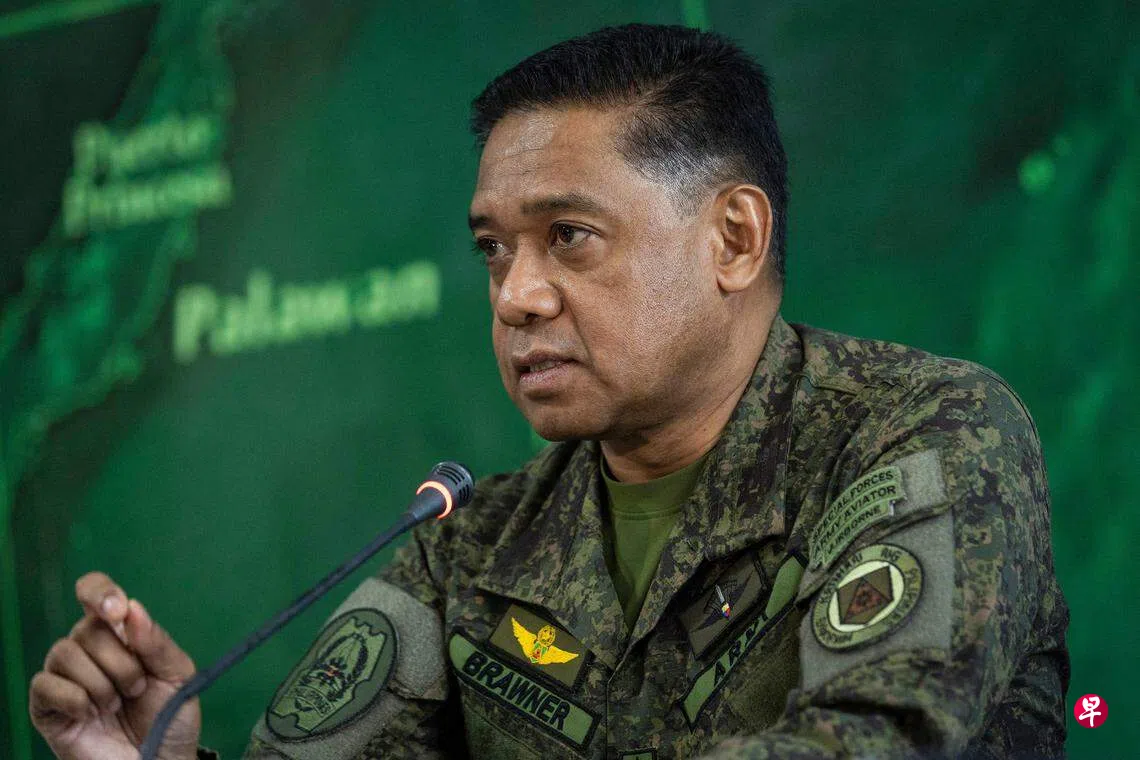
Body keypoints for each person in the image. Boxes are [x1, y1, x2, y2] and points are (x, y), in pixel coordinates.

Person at [29, 23, 1069, 760]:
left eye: (569, 235)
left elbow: (868, 740)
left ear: (733, 239)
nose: (516, 295)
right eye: (494, 249)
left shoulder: (920, 434)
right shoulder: (469, 544)